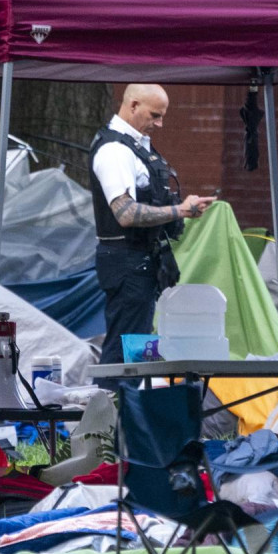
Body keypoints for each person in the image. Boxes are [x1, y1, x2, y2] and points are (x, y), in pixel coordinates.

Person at [89, 84, 216, 372]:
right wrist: (180, 210)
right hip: (127, 261)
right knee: (124, 354)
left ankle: (122, 410)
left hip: (140, 261)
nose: (159, 123)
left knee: (134, 350)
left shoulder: (134, 146)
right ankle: (110, 412)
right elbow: (125, 213)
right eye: (155, 115)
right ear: (133, 105)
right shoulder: (114, 151)